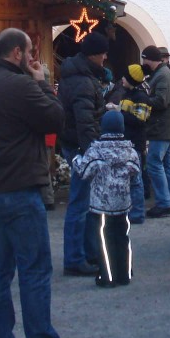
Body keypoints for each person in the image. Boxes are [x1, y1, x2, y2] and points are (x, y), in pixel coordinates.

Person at [0, 28, 64, 338]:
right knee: (34, 269)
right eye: (30, 51)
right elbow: (55, 120)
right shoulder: (20, 85)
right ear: (17, 53)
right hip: (18, 188)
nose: (33, 57)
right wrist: (42, 82)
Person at [58, 31, 110, 276]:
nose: (106, 58)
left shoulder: (77, 75)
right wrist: (92, 153)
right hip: (82, 147)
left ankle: (89, 253)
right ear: (96, 55)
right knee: (81, 204)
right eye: (103, 53)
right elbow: (85, 121)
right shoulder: (83, 80)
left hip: (75, 144)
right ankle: (75, 258)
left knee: (87, 203)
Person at [70, 110, 142, 287]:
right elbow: (135, 172)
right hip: (123, 204)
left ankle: (108, 277)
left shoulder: (96, 151)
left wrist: (76, 158)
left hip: (101, 206)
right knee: (123, 237)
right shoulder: (130, 151)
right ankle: (125, 274)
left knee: (104, 239)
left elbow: (84, 172)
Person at [107, 64, 153, 223]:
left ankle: (138, 213)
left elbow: (140, 120)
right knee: (131, 178)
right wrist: (116, 108)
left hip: (135, 143)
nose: (122, 79)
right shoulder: (128, 94)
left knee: (136, 179)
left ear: (132, 79)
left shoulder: (142, 97)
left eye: (125, 77)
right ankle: (131, 211)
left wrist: (118, 112)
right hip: (127, 141)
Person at [142, 45, 170, 218]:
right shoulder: (162, 74)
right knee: (166, 165)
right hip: (165, 127)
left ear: (149, 59)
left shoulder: (163, 76)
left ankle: (164, 203)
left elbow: (161, 102)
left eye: (144, 59)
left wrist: (144, 99)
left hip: (161, 128)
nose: (143, 63)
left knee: (154, 164)